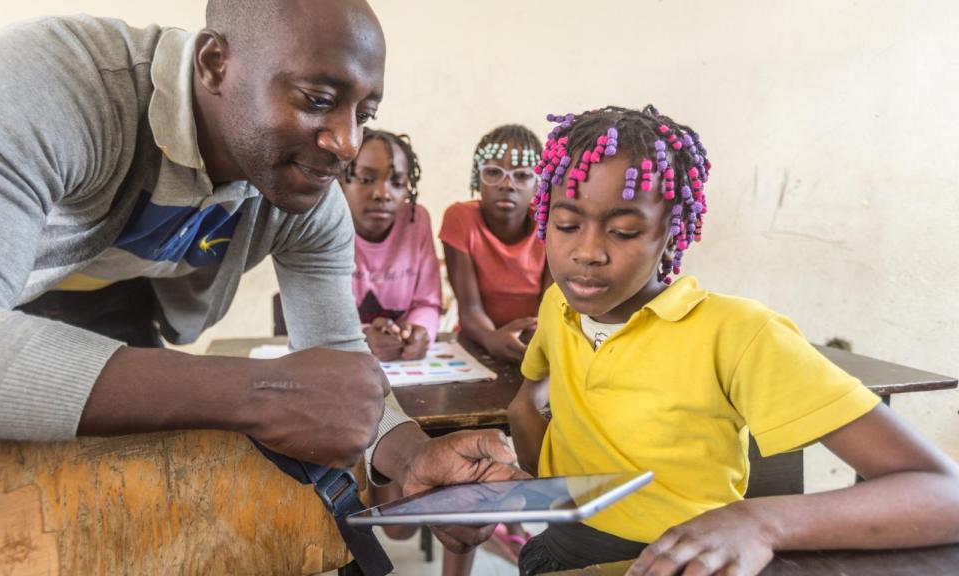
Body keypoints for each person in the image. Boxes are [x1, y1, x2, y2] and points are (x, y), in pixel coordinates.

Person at [0, 0, 522, 557]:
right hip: (5, 305)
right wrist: (261, 392)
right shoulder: (56, 82)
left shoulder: (309, 200)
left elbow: (336, 361)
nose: (346, 144)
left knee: (116, 513)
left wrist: (412, 454)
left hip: (124, 315)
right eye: (318, 99)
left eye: (364, 116)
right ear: (216, 63)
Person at [507, 105, 959, 575]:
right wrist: (534, 487)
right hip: (554, 555)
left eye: (624, 231)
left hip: (679, 563)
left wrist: (761, 522)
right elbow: (528, 399)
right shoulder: (558, 306)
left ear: (670, 230)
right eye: (566, 225)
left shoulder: (736, 334)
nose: (587, 252)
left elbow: (944, 493)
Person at [440, 124, 550, 364]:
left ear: (538, 185)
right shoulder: (460, 219)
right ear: (476, 179)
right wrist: (492, 338)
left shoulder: (550, 224)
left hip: (537, 341)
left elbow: (551, 307)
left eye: (521, 175)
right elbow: (470, 309)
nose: (506, 185)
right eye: (493, 172)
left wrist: (537, 336)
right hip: (477, 341)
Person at [341, 128, 440, 362]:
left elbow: (428, 302)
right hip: (345, 363)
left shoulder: (416, 220)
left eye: (397, 182)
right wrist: (362, 337)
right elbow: (319, 317)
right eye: (366, 179)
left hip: (402, 365)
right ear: (341, 180)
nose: (383, 194)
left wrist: (419, 331)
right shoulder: (323, 224)